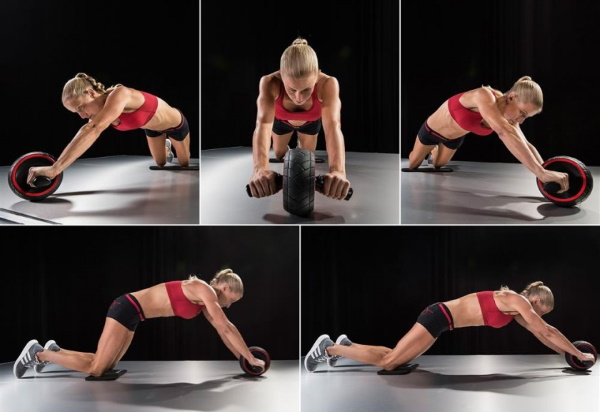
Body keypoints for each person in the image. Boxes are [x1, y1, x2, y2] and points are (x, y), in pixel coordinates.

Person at [14, 269, 265, 379]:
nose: (228, 306)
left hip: (135, 316)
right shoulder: (205, 290)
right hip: (126, 307)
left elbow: (223, 333)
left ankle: (57, 352)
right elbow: (227, 327)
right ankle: (39, 354)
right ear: (222, 287)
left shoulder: (205, 302)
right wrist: (252, 359)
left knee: (107, 364)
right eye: (230, 300)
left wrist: (243, 359)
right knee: (97, 369)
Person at [304, 281, 596, 372]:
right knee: (390, 362)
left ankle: (347, 346)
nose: (538, 315)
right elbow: (547, 330)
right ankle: (328, 348)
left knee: (395, 355)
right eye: (540, 309)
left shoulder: (516, 309)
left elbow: (542, 334)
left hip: (442, 322)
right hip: (437, 316)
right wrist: (578, 354)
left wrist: (565, 355)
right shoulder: (518, 300)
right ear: (535, 298)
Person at [406, 76, 570, 193]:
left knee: (437, 165)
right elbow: (503, 132)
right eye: (523, 113)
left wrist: (545, 170)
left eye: (526, 117)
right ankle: (427, 149)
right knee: (413, 164)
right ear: (512, 97)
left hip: (454, 138)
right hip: (431, 131)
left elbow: (524, 143)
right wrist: (540, 173)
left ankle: (434, 153)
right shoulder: (484, 96)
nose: (521, 120)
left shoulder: (509, 118)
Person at [26, 72, 192, 186]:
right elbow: (90, 127)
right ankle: (166, 147)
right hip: (151, 128)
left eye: (81, 107)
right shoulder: (101, 113)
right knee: (161, 163)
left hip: (175, 124)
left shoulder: (120, 95)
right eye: (76, 112)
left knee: (184, 163)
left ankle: (173, 143)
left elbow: (92, 129)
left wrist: (55, 168)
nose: (82, 115)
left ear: (91, 93)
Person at [247, 37, 351, 201]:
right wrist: (259, 169)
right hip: (281, 123)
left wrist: (338, 171)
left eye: (306, 89)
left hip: (310, 124)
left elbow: (333, 127)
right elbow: (263, 125)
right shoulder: (269, 82)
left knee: (305, 160)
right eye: (291, 89)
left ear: (317, 75)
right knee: (280, 154)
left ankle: (299, 148)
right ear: (281, 75)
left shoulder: (328, 83)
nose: (298, 97)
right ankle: (288, 149)